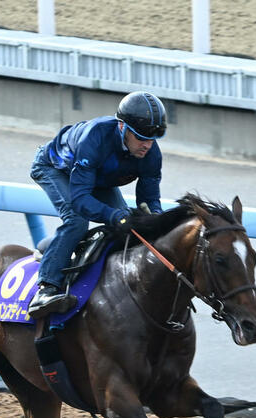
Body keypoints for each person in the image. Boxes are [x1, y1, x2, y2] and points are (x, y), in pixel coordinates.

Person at [27, 90, 167, 318]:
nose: (147, 146)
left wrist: (158, 222)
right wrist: (114, 217)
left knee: (127, 224)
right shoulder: (95, 137)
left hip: (97, 177)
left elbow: (149, 202)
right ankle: (46, 288)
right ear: (122, 128)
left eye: (152, 139)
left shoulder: (151, 155)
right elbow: (81, 199)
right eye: (141, 138)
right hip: (54, 169)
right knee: (77, 220)